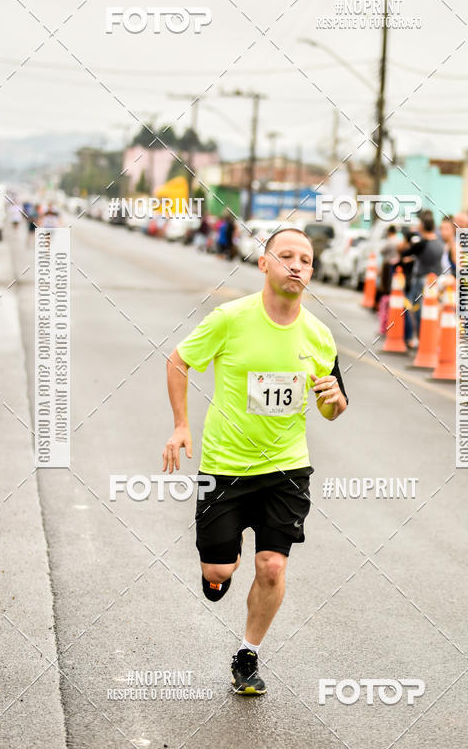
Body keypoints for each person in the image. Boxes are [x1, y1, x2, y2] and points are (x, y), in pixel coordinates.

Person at [163, 228, 349, 695]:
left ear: (311, 271)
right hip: (224, 468)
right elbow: (178, 361)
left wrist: (335, 401)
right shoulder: (230, 319)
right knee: (218, 572)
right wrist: (181, 425)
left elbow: (331, 406)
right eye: (285, 256)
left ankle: (248, 655)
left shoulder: (320, 336)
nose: (296, 265)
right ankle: (221, 568)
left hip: (287, 470)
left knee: (271, 567)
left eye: (304, 260)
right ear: (263, 264)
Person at [404, 211, 444, 342]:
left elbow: (405, 252)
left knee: (417, 309)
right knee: (431, 310)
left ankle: (420, 337)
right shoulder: (440, 243)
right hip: (435, 280)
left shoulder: (422, 243)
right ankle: (429, 338)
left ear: (422, 226)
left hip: (421, 279)